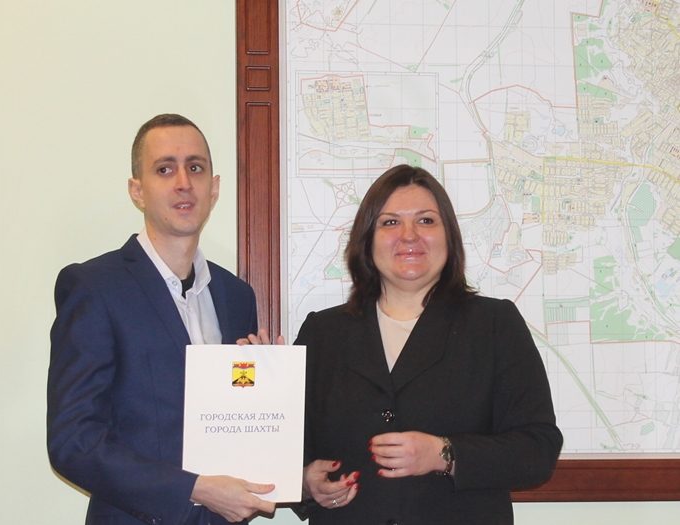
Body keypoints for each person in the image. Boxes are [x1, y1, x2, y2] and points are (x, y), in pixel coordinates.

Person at [294, 164, 563, 524]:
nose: (409, 236)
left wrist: (443, 453)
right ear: (367, 239)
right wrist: (305, 483)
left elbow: (538, 450)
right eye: (390, 222)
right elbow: (290, 447)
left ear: (448, 236)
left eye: (425, 221)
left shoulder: (494, 324)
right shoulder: (323, 333)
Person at [47, 114, 276, 525]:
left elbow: (233, 424)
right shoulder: (95, 287)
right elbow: (74, 442)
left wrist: (263, 387)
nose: (183, 182)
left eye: (195, 168)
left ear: (214, 188)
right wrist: (192, 490)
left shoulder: (237, 296)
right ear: (137, 190)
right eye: (165, 169)